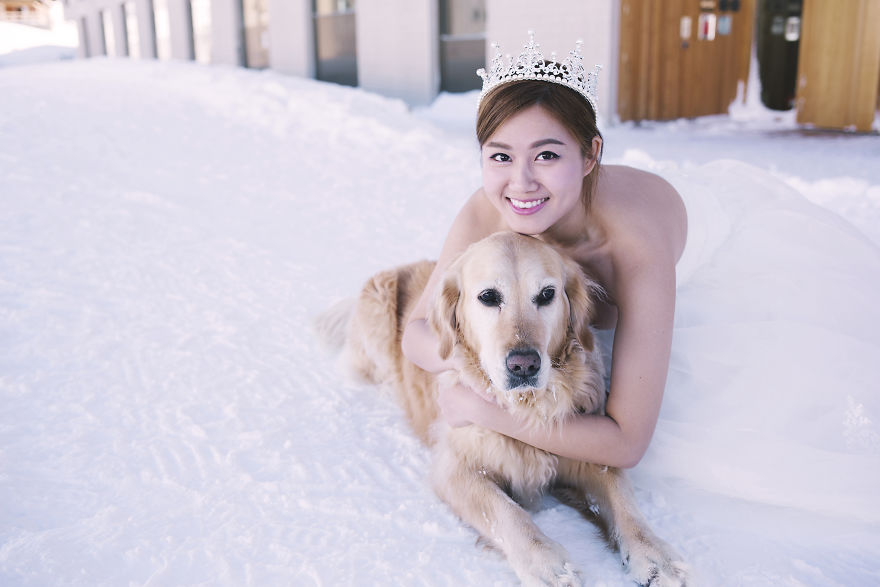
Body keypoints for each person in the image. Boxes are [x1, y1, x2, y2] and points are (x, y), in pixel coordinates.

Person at [401, 34, 687, 469]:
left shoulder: (633, 250)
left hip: (686, 258)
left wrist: (486, 410)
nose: (521, 183)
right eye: (500, 157)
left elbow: (626, 444)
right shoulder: (486, 210)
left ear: (590, 154)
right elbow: (417, 332)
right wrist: (478, 370)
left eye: (547, 155)